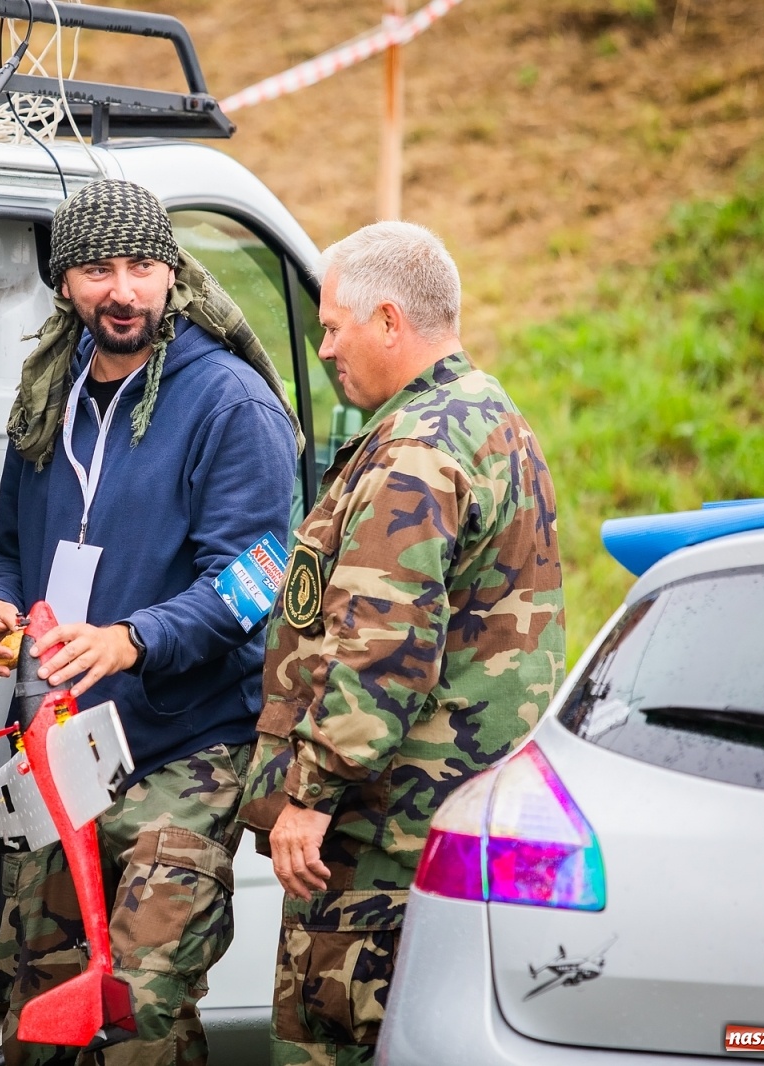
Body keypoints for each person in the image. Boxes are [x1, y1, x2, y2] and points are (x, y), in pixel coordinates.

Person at [0, 179, 301, 1066]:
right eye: (99, 270)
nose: (124, 289)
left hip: (185, 746)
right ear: (65, 282)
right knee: (38, 995)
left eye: (145, 266)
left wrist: (132, 639)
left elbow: (252, 580)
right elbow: (11, 546)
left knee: (139, 1006)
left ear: (173, 274)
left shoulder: (230, 404)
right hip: (59, 746)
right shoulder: (49, 392)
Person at [238, 221, 565, 1064]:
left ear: (388, 321)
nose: (324, 349)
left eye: (333, 326)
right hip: (458, 823)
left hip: (380, 844)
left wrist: (309, 796)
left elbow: (382, 648)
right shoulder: (494, 418)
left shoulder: (415, 450)